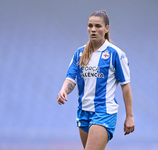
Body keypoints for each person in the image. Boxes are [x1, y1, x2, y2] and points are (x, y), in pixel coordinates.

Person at [57, 10, 135, 150]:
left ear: (107, 28)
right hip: (83, 111)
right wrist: (63, 90)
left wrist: (129, 116)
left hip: (104, 112)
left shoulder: (116, 54)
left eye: (98, 26)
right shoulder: (79, 53)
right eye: (90, 25)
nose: (93, 29)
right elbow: (71, 78)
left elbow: (126, 86)